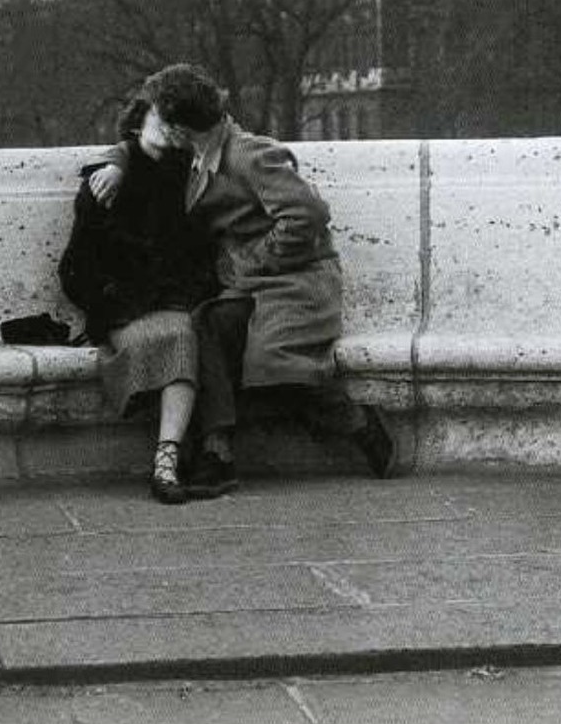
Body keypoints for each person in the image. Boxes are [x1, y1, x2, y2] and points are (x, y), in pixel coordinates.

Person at [91, 64, 398, 495]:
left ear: (182, 127)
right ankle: (218, 452)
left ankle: (355, 420)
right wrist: (117, 162)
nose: (160, 123)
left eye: (166, 118)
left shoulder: (248, 154)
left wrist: (251, 261)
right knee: (208, 329)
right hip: (252, 289)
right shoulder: (195, 152)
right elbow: (138, 141)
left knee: (273, 367)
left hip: (297, 283)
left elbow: (307, 215)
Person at [59, 97, 220, 503]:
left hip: (173, 303)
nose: (168, 127)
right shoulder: (106, 180)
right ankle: (171, 459)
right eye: (159, 118)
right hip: (122, 308)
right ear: (138, 122)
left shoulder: (186, 177)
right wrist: (111, 302)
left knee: (183, 335)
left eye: (175, 121)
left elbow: (198, 251)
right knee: (175, 339)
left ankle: (166, 460)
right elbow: (75, 268)